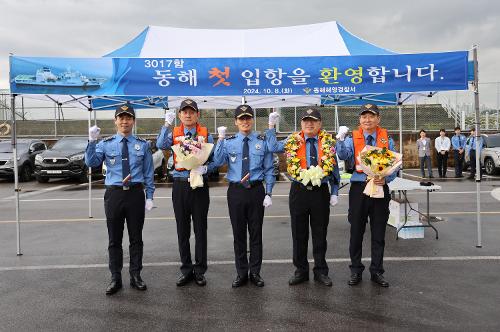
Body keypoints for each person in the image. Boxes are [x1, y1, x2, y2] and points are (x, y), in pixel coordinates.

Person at [85, 103, 155, 295]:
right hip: (114, 195)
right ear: (115, 121)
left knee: (136, 238)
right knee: (114, 240)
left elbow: (149, 173)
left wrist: (149, 196)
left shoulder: (143, 145)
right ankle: (115, 278)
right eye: (121, 117)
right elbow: (91, 163)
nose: (125, 121)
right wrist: (92, 141)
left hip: (135, 195)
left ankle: (135, 276)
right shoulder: (105, 144)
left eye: (128, 117)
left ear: (133, 121)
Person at [267, 108, 340, 287]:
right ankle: (300, 270)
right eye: (306, 120)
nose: (309, 123)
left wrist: (335, 191)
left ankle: (321, 271)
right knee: (299, 233)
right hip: (299, 191)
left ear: (320, 123)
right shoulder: (293, 140)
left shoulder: (328, 142)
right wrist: (271, 126)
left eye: (313, 120)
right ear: (301, 124)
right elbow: (272, 147)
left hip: (320, 192)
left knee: (320, 233)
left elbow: (335, 168)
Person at [336, 103, 398, 288]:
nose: (367, 120)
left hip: (380, 189)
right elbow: (342, 155)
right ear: (359, 120)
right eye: (364, 116)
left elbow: (395, 165)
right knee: (356, 232)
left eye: (371, 116)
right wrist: (339, 139)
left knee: (379, 232)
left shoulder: (386, 138)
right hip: (359, 190)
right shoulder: (352, 138)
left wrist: (386, 180)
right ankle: (356, 270)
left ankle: (377, 271)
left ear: (378, 119)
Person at [213, 104, 275, 288]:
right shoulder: (229, 142)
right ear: (236, 122)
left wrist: (269, 192)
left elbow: (269, 169)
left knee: (256, 234)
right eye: (241, 118)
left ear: (252, 120)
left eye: (248, 118)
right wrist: (220, 139)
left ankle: (255, 272)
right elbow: (217, 162)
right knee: (238, 234)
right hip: (236, 191)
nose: (245, 121)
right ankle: (241, 272)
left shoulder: (262, 141)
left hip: (256, 191)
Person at [156, 99, 216, 287]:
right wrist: (166, 124)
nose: (188, 115)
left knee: (200, 229)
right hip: (180, 185)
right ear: (180, 115)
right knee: (182, 229)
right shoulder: (174, 133)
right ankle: (186, 269)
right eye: (184, 112)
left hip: (199, 185)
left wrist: (206, 169)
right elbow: (160, 144)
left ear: (198, 114)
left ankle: (199, 270)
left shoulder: (206, 134)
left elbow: (215, 160)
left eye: (192, 111)